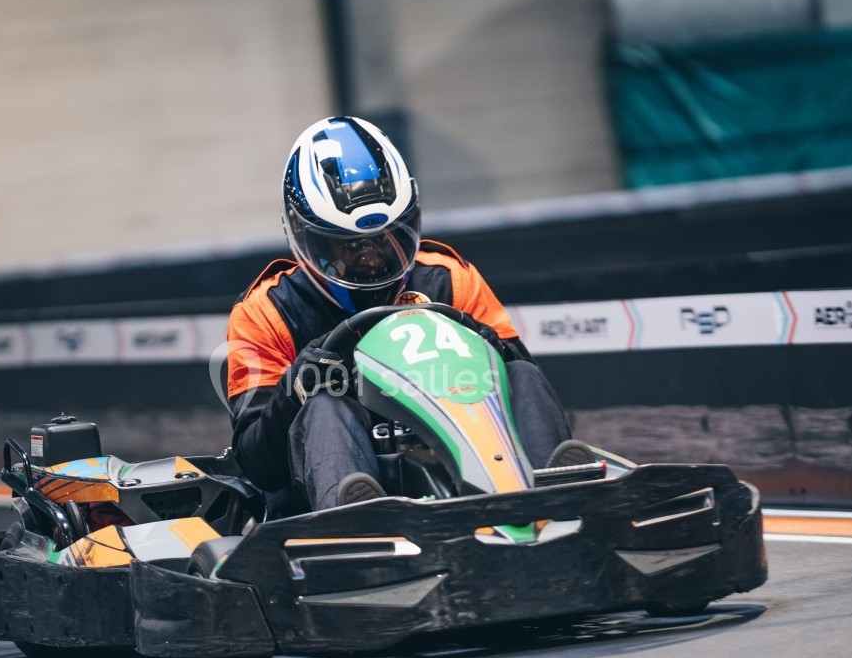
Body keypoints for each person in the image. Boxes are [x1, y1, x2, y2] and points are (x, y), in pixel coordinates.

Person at [225, 116, 589, 512]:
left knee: (520, 373)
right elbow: (257, 464)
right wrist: (295, 390)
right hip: (333, 478)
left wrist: (493, 348)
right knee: (325, 407)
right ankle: (357, 518)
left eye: (384, 238)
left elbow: (523, 381)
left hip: (456, 448)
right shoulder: (266, 312)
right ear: (305, 235)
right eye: (345, 245)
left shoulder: (451, 280)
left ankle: (559, 498)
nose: (369, 257)